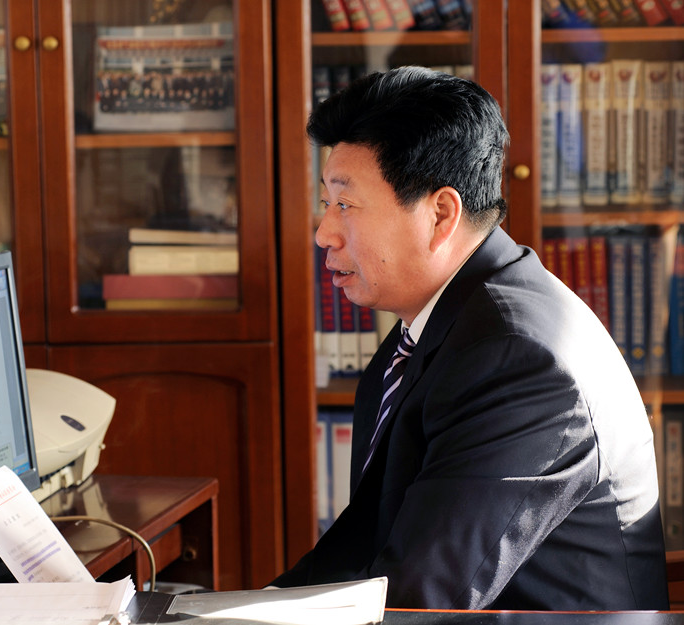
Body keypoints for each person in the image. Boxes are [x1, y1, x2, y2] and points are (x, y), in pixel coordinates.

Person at [271, 66, 669, 610]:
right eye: (326, 204)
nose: (324, 234)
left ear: (440, 214)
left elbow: (420, 597)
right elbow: (360, 546)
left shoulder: (517, 356)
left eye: (346, 204)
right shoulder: (444, 320)